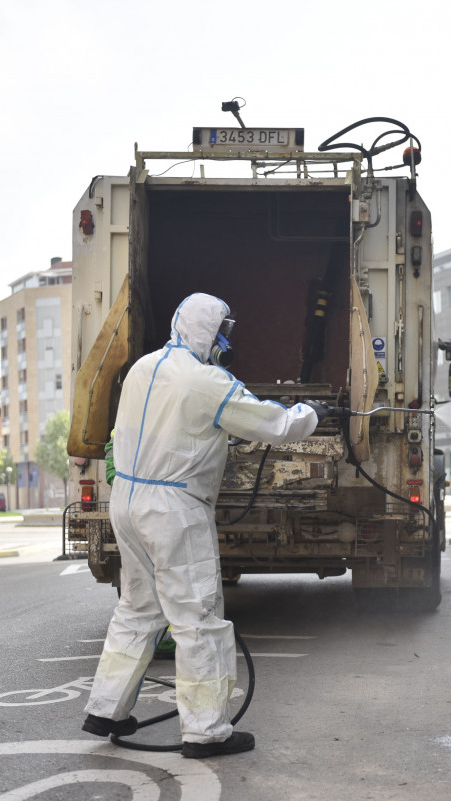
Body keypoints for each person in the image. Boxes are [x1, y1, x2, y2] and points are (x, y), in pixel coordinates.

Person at [81, 292, 326, 758]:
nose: (223, 342)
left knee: (137, 609)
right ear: (208, 332)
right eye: (222, 332)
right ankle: (207, 731)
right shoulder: (207, 381)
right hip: (173, 510)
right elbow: (273, 425)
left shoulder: (141, 368)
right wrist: (312, 413)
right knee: (198, 618)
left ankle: (105, 709)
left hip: (128, 503)